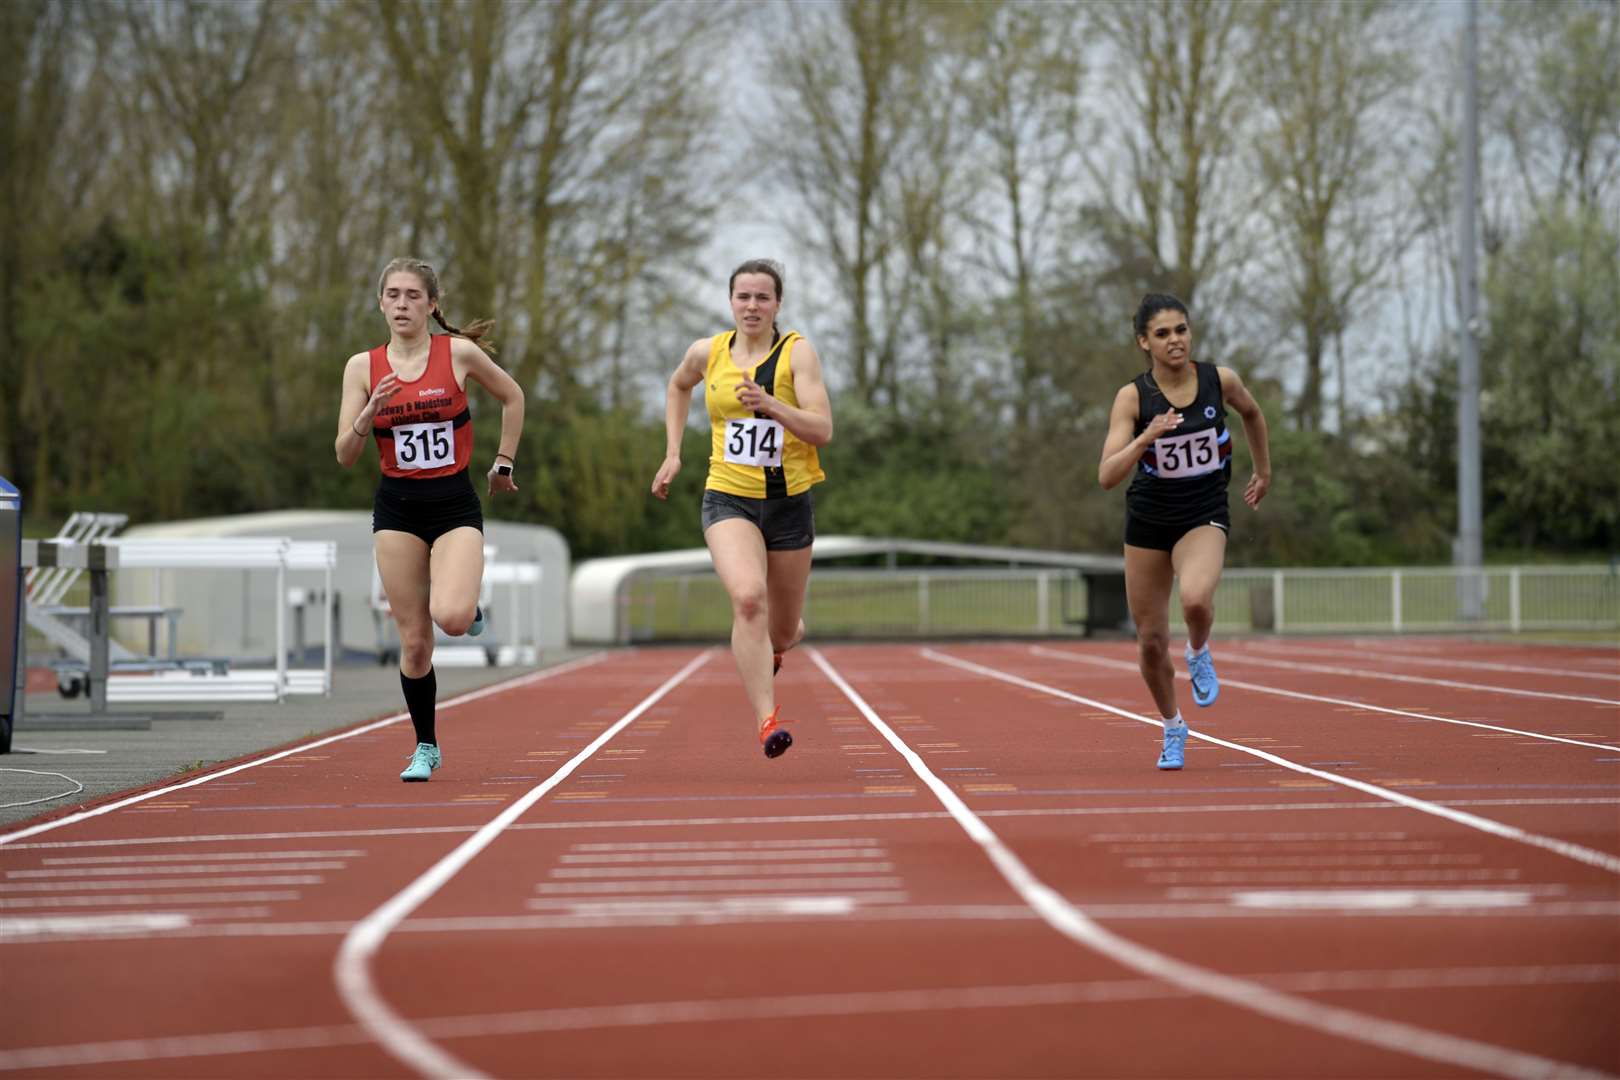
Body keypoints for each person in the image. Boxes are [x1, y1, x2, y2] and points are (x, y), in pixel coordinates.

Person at [336, 257, 525, 782]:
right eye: (392, 295)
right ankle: (426, 746)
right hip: (396, 509)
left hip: (453, 504)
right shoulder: (362, 367)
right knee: (415, 640)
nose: (401, 304)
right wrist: (368, 411)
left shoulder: (457, 354)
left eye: (412, 296)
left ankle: (467, 599)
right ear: (380, 303)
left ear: (432, 304)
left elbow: (513, 396)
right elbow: (345, 454)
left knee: (454, 618)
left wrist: (503, 461)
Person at [650, 259, 833, 759]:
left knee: (781, 629)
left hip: (789, 504)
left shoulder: (797, 354)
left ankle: (781, 640)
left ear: (777, 304)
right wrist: (673, 453)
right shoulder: (708, 352)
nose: (752, 306)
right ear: (730, 301)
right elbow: (677, 385)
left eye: (762, 298)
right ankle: (767, 720)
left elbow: (822, 431)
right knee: (749, 598)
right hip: (728, 496)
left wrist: (773, 405)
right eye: (743, 297)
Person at [1098, 293, 1271, 771]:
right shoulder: (1133, 397)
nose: (1175, 340)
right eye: (1162, 334)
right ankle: (1173, 725)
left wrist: (1263, 470)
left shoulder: (1219, 380)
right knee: (1151, 640)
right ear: (1143, 342)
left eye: (1181, 330)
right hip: (1149, 519)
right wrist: (1147, 436)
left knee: (1195, 599)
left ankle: (1198, 651)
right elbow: (1107, 476)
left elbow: (1253, 414)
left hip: (1203, 512)